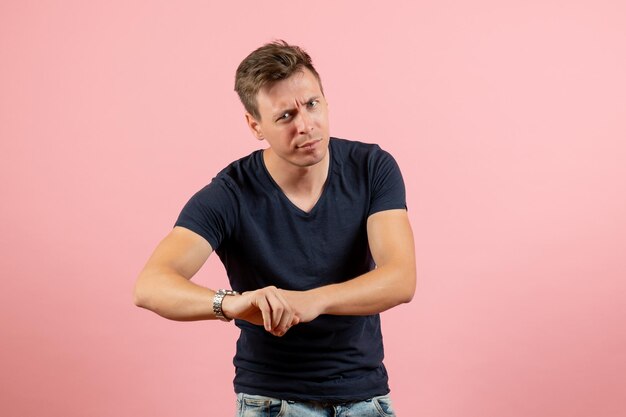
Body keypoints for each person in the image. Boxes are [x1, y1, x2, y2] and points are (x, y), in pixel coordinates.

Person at [134, 40, 416, 417]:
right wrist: (231, 304)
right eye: (285, 116)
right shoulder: (230, 194)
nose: (305, 125)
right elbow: (150, 285)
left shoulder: (373, 168)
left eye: (312, 104)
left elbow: (400, 278)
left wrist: (312, 300)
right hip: (273, 402)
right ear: (255, 125)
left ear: (326, 101)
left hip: (366, 397)